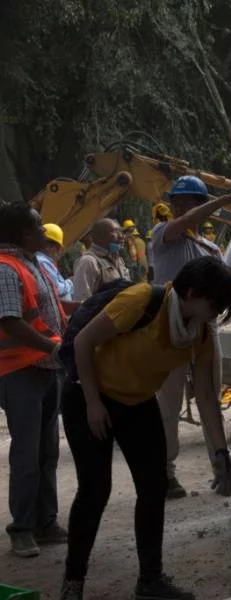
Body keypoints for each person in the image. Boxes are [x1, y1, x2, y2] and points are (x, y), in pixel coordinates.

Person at [59, 256, 231, 600]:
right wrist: (93, 403)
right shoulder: (142, 300)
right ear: (191, 292)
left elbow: (205, 396)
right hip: (89, 395)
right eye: (214, 304)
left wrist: (221, 451)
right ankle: (73, 581)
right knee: (95, 490)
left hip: (137, 402)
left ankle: (150, 581)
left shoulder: (196, 330)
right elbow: (83, 343)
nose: (217, 312)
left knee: (154, 486)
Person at [151, 175, 231, 498]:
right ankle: (166, 473)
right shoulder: (164, 236)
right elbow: (186, 223)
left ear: (200, 205)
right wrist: (226, 200)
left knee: (209, 398)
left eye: (187, 202)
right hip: (169, 326)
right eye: (176, 201)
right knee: (168, 403)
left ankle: (221, 466)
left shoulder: (211, 249)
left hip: (204, 328)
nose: (180, 207)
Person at [0, 202, 69, 559]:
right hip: (21, 371)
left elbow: (49, 311)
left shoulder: (33, 264)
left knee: (46, 453)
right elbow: (11, 320)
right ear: (25, 234)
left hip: (45, 369)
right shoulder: (6, 268)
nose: (46, 231)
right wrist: (52, 347)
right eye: (40, 226)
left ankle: (46, 522)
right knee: (27, 454)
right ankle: (23, 528)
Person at [72, 218, 130, 301]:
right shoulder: (88, 262)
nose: (121, 236)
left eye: (120, 232)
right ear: (100, 236)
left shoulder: (118, 260)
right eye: (115, 231)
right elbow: (82, 302)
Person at [37, 223, 74, 301]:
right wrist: (69, 283)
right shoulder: (43, 262)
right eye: (58, 247)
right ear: (50, 246)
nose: (58, 251)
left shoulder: (44, 260)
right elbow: (56, 289)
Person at [123, 219, 149, 283]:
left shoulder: (132, 242)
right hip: (143, 262)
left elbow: (133, 254)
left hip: (137, 264)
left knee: (139, 282)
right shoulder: (141, 241)